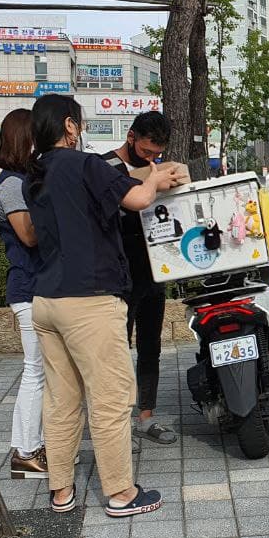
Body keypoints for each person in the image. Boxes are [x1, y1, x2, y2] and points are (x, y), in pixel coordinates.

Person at [24, 93, 189, 517]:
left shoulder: (35, 173)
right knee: (112, 398)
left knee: (61, 401)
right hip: (90, 300)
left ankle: (61, 492)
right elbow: (136, 200)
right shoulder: (84, 164)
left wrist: (146, 177)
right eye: (77, 121)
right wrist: (152, 182)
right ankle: (120, 494)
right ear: (69, 126)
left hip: (46, 300)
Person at [101, 111, 175, 447]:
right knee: (116, 350)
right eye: (146, 152)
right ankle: (114, 421)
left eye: (156, 154)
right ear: (130, 137)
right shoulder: (104, 168)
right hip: (118, 274)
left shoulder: (158, 170)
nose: (151, 159)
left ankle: (146, 416)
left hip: (153, 271)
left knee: (151, 346)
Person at [0, 109, 48, 479]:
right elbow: (28, 235)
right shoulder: (12, 185)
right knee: (35, 371)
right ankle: (25, 452)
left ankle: (34, 447)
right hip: (28, 288)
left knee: (41, 371)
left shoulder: (24, 180)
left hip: (36, 287)